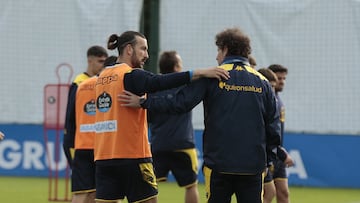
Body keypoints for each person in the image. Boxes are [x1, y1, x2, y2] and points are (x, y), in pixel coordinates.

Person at [119, 27, 294, 203]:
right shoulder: (263, 83)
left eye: (218, 50)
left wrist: (143, 102)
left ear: (225, 49)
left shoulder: (213, 76)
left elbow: (179, 103)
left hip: (218, 164)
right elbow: (273, 127)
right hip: (253, 167)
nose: (217, 56)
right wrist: (267, 161)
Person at [93, 31, 229, 203]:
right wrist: (201, 73)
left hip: (104, 158)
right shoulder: (130, 75)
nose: (146, 55)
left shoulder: (101, 77)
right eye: (143, 49)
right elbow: (159, 82)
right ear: (128, 49)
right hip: (133, 158)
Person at [148, 51, 199, 203]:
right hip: (183, 145)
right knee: (191, 186)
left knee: (149, 187)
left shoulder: (152, 88)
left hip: (158, 145)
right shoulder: (185, 85)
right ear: (177, 67)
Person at [63, 45, 108, 169]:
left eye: (104, 62)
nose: (102, 65)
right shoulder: (79, 83)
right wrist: (69, 141)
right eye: (100, 61)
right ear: (90, 60)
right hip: (81, 144)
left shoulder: (104, 82)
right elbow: (70, 115)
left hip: (100, 144)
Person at [268, 64, 290, 203]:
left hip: (278, 153)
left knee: (283, 192)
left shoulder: (278, 99)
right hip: (270, 153)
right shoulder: (268, 99)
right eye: (279, 78)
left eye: (284, 78)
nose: (282, 81)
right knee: (268, 194)